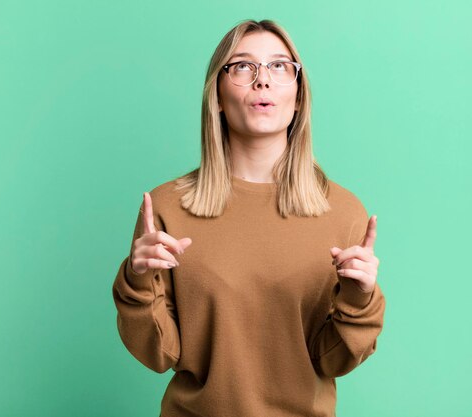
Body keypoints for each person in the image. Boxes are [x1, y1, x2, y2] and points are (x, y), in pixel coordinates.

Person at [112, 18, 386, 417]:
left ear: (297, 97)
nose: (263, 80)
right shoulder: (166, 207)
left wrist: (359, 301)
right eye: (242, 66)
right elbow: (159, 353)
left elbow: (334, 361)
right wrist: (137, 283)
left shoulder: (343, 212)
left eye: (279, 66)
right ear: (217, 96)